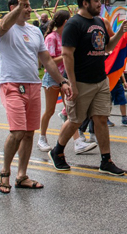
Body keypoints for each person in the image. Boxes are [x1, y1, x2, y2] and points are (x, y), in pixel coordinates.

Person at [0, 0, 71, 194]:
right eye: (24, 6)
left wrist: (62, 81)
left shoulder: (35, 31)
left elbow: (46, 60)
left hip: (33, 85)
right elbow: (2, 27)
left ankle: (22, 175)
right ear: (13, 8)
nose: (28, 9)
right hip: (11, 85)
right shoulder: (1, 28)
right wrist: (18, 7)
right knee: (17, 132)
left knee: (28, 134)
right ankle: (4, 172)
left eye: (28, 6)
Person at [49, 0, 127, 176]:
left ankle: (106, 160)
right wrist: (73, 84)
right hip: (81, 81)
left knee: (101, 119)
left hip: (100, 80)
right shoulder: (73, 24)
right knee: (75, 120)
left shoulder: (99, 22)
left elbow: (106, 47)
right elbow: (67, 54)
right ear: (85, 3)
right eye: (95, 0)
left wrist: (119, 33)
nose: (99, 3)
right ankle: (57, 152)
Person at [37, 10, 97, 155]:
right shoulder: (51, 38)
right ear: (65, 22)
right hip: (52, 77)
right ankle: (42, 138)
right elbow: (48, 61)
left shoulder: (68, 36)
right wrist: (67, 55)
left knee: (71, 112)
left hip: (66, 77)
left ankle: (77, 143)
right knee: (50, 110)